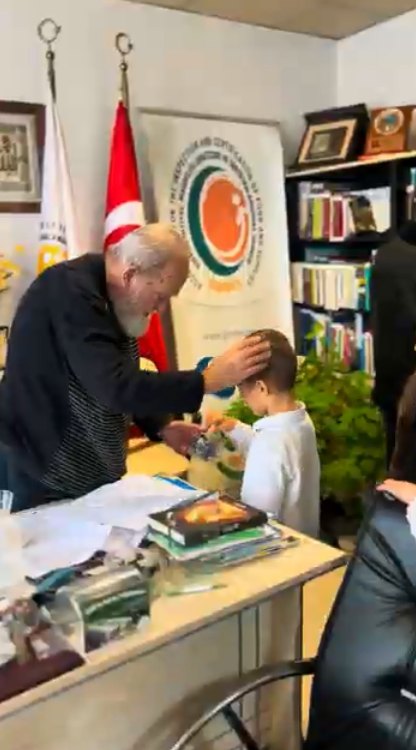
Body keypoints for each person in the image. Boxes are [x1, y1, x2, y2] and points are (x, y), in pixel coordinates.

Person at [0, 223, 270, 512]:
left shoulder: (113, 293)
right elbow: (114, 386)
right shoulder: (71, 293)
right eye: (161, 296)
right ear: (130, 275)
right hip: (40, 471)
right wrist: (207, 380)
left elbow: (119, 369)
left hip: (88, 472)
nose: (161, 309)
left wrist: (162, 425)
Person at [206, 330, 320, 538]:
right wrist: (234, 428)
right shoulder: (301, 422)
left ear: (261, 388)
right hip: (308, 540)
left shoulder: (269, 446)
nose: (242, 396)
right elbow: (279, 456)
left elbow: (255, 518)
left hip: (280, 550)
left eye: (241, 387)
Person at [371, 222, 416, 464]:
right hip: (408, 379)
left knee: (396, 456)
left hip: (389, 373)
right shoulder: (407, 259)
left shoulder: (386, 254)